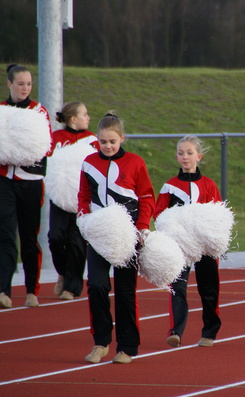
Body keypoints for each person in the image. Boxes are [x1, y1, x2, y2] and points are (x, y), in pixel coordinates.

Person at [78, 112, 155, 364]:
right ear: (96, 141)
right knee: (97, 285)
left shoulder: (135, 162)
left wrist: (142, 226)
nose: (108, 146)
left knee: (125, 291)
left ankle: (127, 347)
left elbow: (146, 197)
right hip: (99, 235)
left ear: (122, 138)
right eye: (103, 142)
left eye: (112, 141)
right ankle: (100, 342)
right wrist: (84, 219)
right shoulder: (89, 162)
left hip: (127, 236)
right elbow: (83, 195)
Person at [154, 135, 223, 348]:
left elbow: (218, 214)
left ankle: (209, 332)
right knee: (178, 287)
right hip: (180, 247)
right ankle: (176, 331)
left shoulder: (208, 184)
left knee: (209, 289)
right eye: (181, 153)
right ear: (176, 157)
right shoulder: (169, 186)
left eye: (190, 153)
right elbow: (159, 214)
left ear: (199, 156)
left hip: (205, 247)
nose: (185, 157)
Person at [0, 64, 53, 309]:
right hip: (4, 182)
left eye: (29, 84)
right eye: (20, 83)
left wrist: (24, 151)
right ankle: (4, 290)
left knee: (29, 237)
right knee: (5, 235)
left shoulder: (39, 111)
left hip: (31, 183)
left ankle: (32, 289)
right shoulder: (1, 110)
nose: (25, 88)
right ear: (9, 84)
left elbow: (47, 147)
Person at [49, 101, 98, 301]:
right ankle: (62, 272)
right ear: (73, 119)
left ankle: (71, 287)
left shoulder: (92, 139)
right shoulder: (56, 138)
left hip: (82, 199)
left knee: (77, 242)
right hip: (60, 197)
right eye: (85, 114)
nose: (88, 118)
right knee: (56, 237)